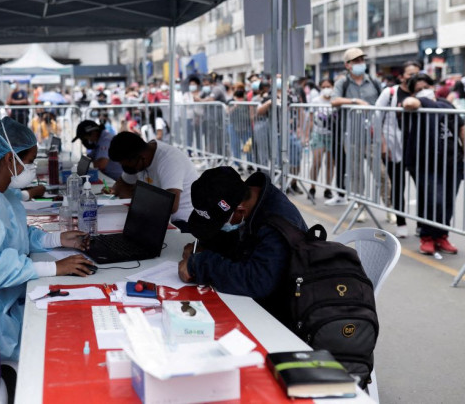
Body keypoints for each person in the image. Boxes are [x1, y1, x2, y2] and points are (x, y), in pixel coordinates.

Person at [0, 118, 94, 361]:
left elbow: (16, 236)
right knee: (57, 343)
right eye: (31, 161)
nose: (33, 168)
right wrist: (55, 267)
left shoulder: (1, 194)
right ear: (10, 159)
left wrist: (58, 238)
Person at [178, 167, 307, 325]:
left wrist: (199, 264)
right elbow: (238, 241)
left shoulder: (277, 225)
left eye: (219, 224)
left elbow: (258, 281)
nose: (220, 228)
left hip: (278, 315)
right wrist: (208, 245)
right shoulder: (243, 196)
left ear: (240, 211)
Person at [402, 75, 465, 255]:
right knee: (432, 200)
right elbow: (408, 104)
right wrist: (419, 98)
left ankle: (442, 236)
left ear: (433, 86)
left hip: (452, 160)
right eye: (418, 89)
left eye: (426, 86)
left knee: (448, 201)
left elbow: (461, 128)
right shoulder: (417, 104)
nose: (423, 90)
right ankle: (427, 237)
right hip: (427, 161)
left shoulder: (446, 104)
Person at [109, 131, 198, 231]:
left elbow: (171, 206)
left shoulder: (169, 160)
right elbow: (120, 186)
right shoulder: (137, 157)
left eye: (127, 165)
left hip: (182, 222)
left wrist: (137, 201)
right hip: (156, 217)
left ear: (142, 156)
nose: (125, 168)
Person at [328, 47, 382, 206]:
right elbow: (334, 101)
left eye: (362, 60)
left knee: (381, 173)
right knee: (356, 174)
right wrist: (354, 101)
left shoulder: (374, 81)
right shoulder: (342, 83)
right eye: (356, 61)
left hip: (373, 136)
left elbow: (384, 101)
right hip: (351, 136)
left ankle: (391, 209)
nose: (360, 63)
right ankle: (360, 206)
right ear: (348, 65)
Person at [374, 60, 422, 238]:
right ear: (402, 76)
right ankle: (401, 223)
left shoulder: (422, 93)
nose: (414, 77)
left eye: (417, 73)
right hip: (393, 147)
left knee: (423, 187)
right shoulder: (390, 92)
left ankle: (422, 225)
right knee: (398, 186)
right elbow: (376, 116)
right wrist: (382, 142)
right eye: (410, 74)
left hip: (417, 149)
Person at [305, 78, 336, 200]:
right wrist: (308, 135)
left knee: (330, 164)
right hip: (318, 135)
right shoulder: (316, 100)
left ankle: (328, 189)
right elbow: (311, 119)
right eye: (323, 87)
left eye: (328, 86)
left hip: (332, 136)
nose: (326, 89)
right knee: (316, 161)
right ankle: (312, 188)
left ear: (333, 87)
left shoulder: (335, 100)